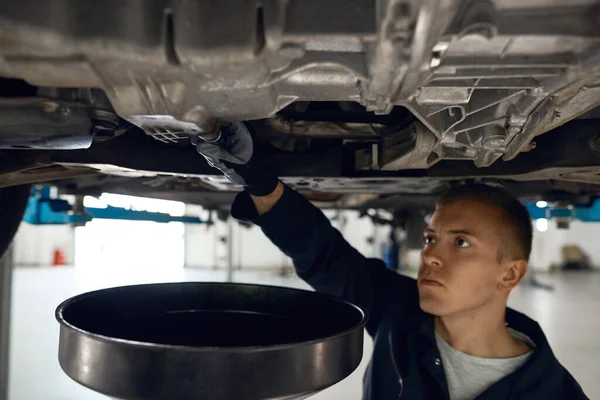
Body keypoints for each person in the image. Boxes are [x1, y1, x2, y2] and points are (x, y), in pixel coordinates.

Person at [195, 123, 588, 399]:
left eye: (462, 243)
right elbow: (325, 256)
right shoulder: (399, 312)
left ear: (511, 273)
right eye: (432, 237)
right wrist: (259, 181)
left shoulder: (554, 392)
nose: (431, 254)